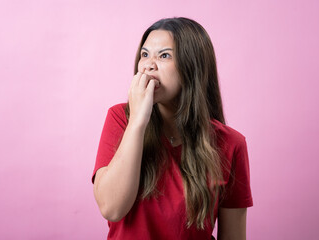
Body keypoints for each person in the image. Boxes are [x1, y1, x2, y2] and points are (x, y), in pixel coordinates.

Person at [92, 17, 253, 240]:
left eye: (164, 55)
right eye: (145, 54)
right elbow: (111, 208)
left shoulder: (231, 144)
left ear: (191, 67)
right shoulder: (120, 118)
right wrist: (138, 119)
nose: (148, 65)